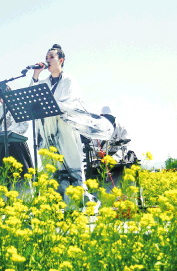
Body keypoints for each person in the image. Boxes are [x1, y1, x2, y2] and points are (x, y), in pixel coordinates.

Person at [30, 44, 114, 199]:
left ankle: (79, 201)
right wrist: (36, 76)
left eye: (51, 57)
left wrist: (52, 104)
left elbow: (70, 103)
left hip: (65, 128)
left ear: (61, 60)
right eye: (46, 58)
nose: (48, 60)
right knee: (53, 167)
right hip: (48, 131)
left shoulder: (69, 80)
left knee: (71, 164)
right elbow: (33, 98)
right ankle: (56, 201)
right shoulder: (43, 83)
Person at [0, 85, 33, 183]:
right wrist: (0, 136)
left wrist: (14, 134)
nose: (1, 100)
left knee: (23, 172)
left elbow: (25, 124)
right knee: (5, 173)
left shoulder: (18, 106)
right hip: (3, 144)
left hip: (18, 143)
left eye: (2, 97)